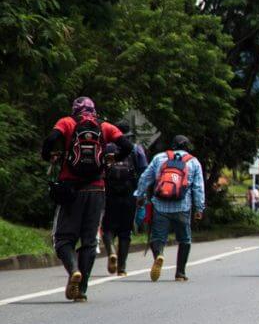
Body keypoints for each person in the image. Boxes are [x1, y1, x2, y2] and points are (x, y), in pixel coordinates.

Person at [42, 97, 133, 301]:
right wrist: (113, 158)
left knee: (63, 239)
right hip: (97, 189)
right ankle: (82, 290)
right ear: (94, 111)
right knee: (89, 241)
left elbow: (50, 140)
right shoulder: (105, 127)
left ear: (75, 110)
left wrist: (48, 155)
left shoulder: (67, 122)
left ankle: (74, 269)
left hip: (71, 189)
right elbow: (127, 146)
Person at [135, 135, 205, 282]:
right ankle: (180, 273)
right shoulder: (193, 161)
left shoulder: (159, 158)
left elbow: (145, 177)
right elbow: (198, 188)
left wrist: (140, 195)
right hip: (183, 206)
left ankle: (159, 254)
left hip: (160, 205)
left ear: (172, 145)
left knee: (157, 237)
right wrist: (199, 208)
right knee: (184, 239)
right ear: (187, 146)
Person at [101, 142, 139, 276]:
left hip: (110, 196)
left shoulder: (106, 148)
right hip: (129, 196)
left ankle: (111, 250)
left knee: (107, 229)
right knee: (125, 232)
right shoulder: (134, 149)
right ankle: (121, 268)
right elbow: (143, 170)